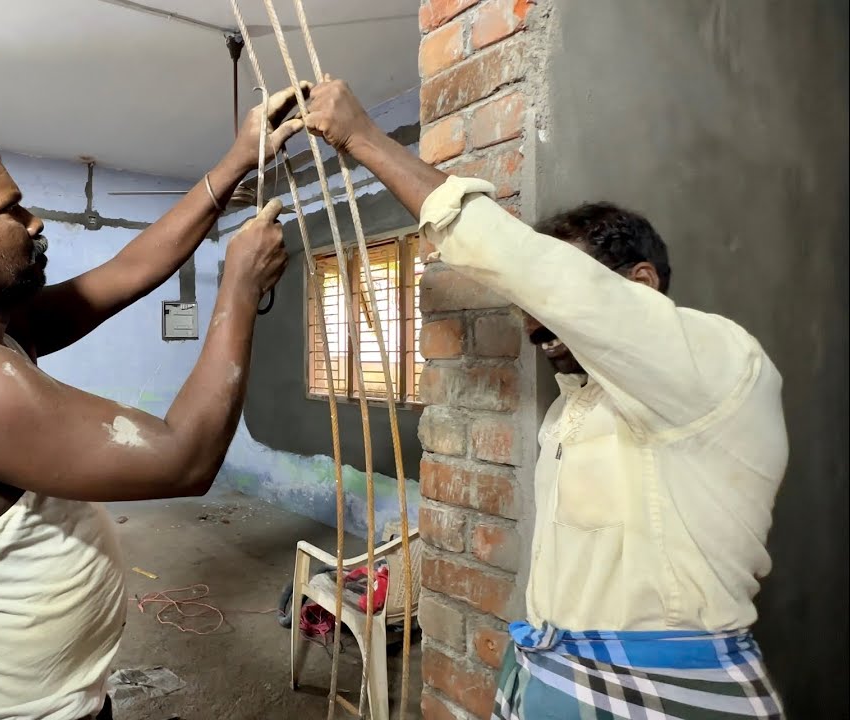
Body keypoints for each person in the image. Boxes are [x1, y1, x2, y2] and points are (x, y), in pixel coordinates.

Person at [303, 78, 787, 718]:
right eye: (529, 310)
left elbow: (529, 265)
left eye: (552, 300)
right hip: (556, 676)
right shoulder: (576, 407)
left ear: (642, 283)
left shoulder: (721, 364)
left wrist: (363, 138)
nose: (534, 325)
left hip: (668, 694)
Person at [0, 85, 307, 720]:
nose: (35, 221)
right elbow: (185, 460)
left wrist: (236, 159)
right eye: (11, 209)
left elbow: (124, 272)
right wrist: (240, 285)